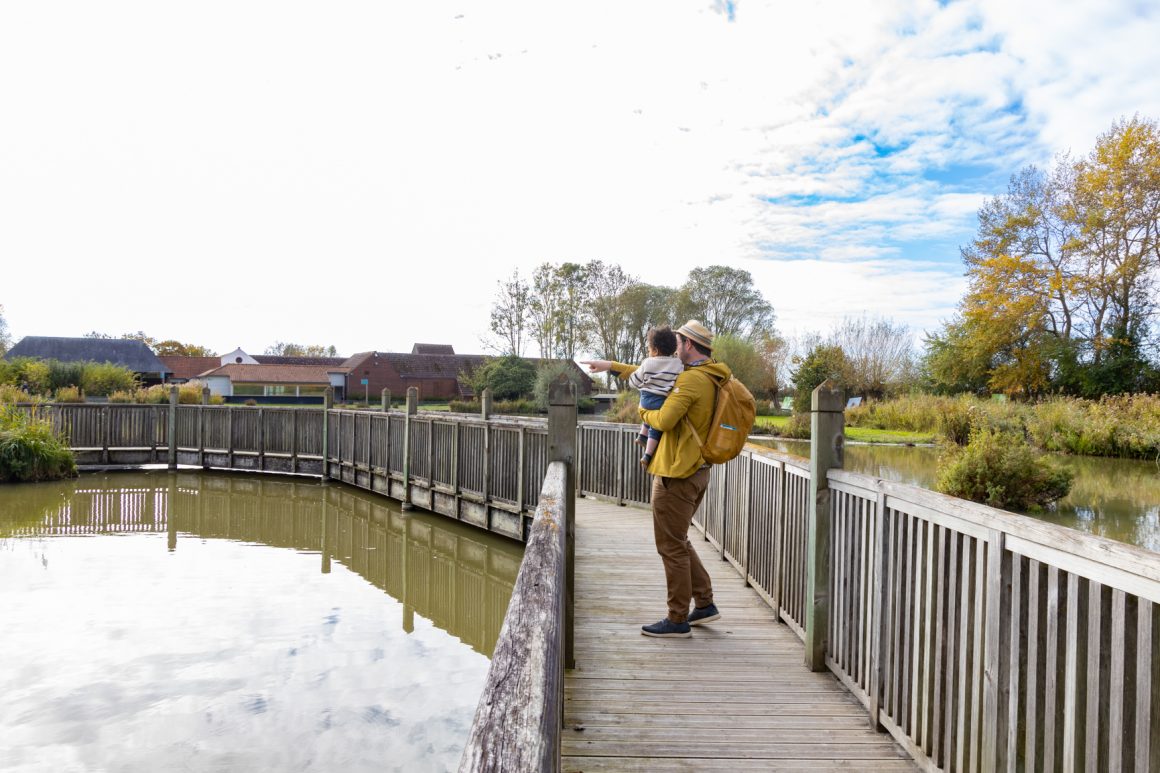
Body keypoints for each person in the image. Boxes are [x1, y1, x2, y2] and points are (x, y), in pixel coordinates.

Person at [582, 320, 728, 638]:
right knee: (678, 539)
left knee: (670, 546)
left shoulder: (691, 381)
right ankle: (704, 603)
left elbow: (663, 418)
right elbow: (652, 368)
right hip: (696, 469)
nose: (675, 348)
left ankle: (677, 619)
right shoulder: (707, 374)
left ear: (689, 345)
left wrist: (643, 412)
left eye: (679, 342)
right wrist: (610, 365)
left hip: (677, 472)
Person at [628, 326, 683, 468]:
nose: (648, 351)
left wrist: (632, 379)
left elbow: (634, 381)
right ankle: (647, 454)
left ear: (656, 350)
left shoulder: (647, 362)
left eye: (649, 348)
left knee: (648, 414)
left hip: (645, 399)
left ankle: (642, 435)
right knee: (656, 427)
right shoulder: (678, 364)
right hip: (662, 401)